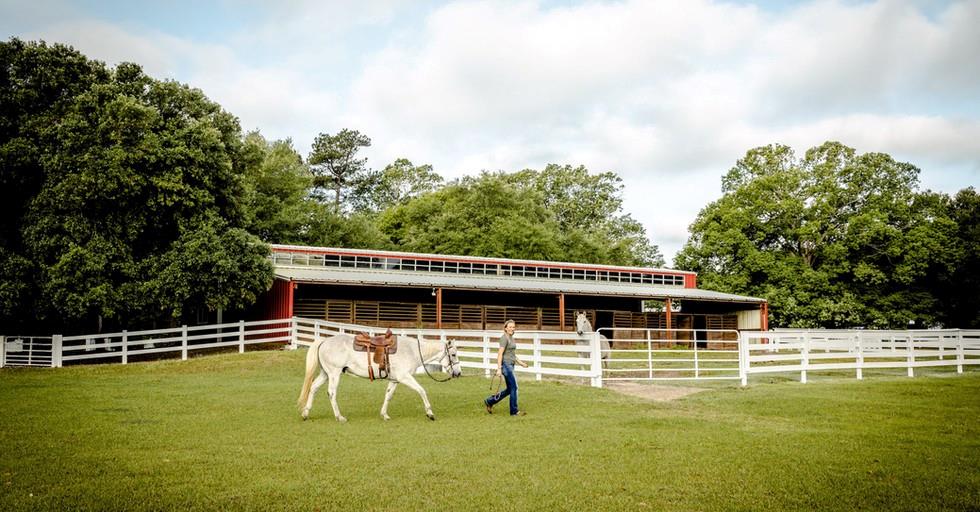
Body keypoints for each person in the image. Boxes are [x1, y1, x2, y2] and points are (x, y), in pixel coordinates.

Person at [484, 319, 528, 416]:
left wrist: (521, 363)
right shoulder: (504, 338)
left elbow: (512, 354)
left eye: (513, 327)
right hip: (506, 366)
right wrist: (499, 368)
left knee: (509, 389)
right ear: (505, 328)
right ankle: (514, 411)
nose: (512, 329)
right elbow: (500, 354)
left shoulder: (511, 338)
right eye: (510, 327)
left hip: (511, 365)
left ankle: (489, 401)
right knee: (514, 387)